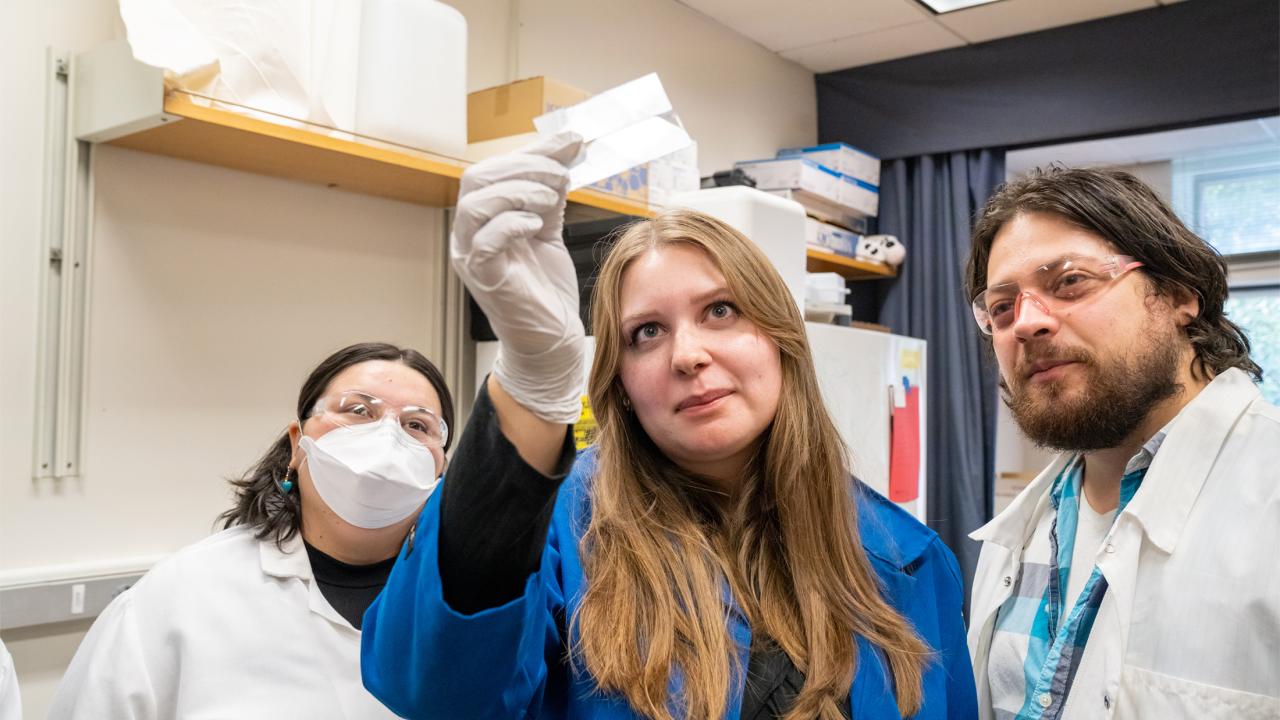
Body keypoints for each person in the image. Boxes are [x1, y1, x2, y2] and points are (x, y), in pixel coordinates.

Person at [361, 134, 978, 719]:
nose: (687, 355)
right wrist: (531, 383)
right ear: (621, 384)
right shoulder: (557, 539)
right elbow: (438, 691)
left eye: (720, 310)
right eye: (646, 333)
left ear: (781, 340)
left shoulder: (910, 560)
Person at [963, 167, 1280, 719]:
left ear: (1180, 294)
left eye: (1069, 282)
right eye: (1001, 307)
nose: (1026, 324)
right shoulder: (1019, 534)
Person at [50, 342, 454, 718]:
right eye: (359, 411)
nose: (386, 438)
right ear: (298, 444)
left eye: (417, 425)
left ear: (441, 467)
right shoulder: (176, 597)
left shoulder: (477, 601)